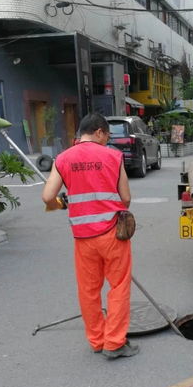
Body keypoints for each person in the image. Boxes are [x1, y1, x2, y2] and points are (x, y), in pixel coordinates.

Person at [42, 112, 139, 359]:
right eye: (106, 135)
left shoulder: (63, 158)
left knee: (88, 290)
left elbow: (47, 197)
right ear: (98, 132)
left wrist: (65, 204)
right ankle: (114, 343)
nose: (107, 140)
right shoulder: (112, 156)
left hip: (82, 238)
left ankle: (96, 341)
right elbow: (125, 198)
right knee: (118, 288)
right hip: (112, 235)